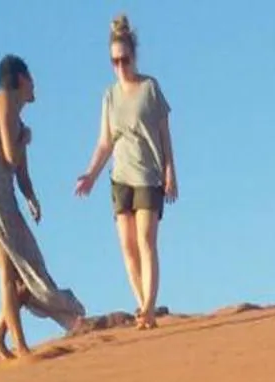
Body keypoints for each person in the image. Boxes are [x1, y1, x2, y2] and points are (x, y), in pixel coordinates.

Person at [0, 55, 85, 360]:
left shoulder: (16, 118)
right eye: (31, 77)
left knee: (14, 271)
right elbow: (10, 155)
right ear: (21, 79)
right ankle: (21, 344)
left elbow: (20, 170)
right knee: (19, 267)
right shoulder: (5, 100)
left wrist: (31, 197)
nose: (35, 84)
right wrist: (25, 139)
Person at [74, 15, 177, 329]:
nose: (120, 66)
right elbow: (104, 142)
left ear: (134, 56)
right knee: (127, 247)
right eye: (114, 61)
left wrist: (171, 172)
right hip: (120, 177)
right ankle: (141, 306)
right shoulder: (109, 96)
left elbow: (164, 136)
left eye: (125, 59)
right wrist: (90, 174)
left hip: (149, 176)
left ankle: (148, 306)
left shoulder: (150, 88)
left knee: (146, 241)